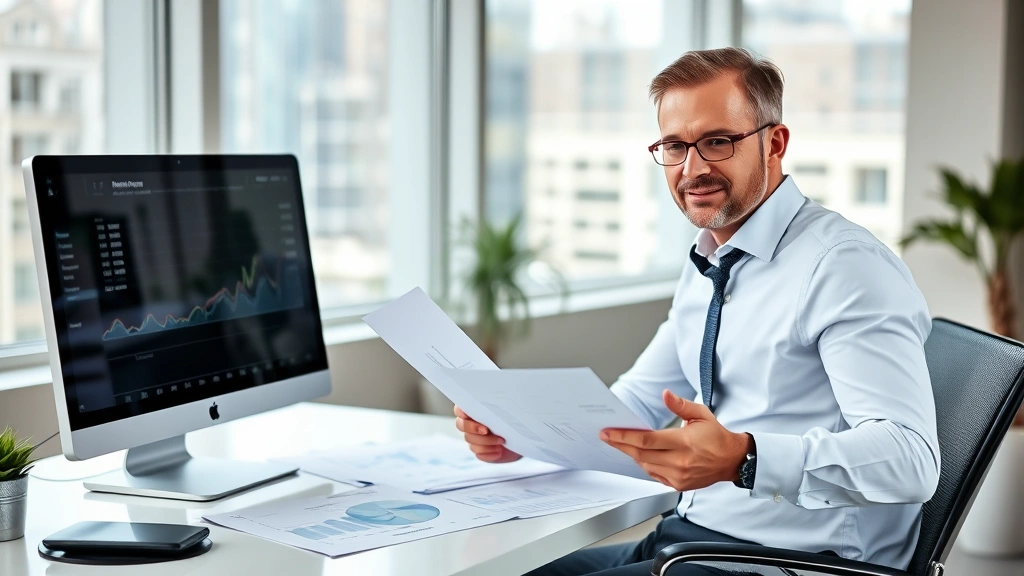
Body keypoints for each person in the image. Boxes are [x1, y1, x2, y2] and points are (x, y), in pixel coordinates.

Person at [454, 47, 940, 576]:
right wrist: (522, 436)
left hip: (789, 562)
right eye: (674, 146)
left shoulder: (843, 266)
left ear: (774, 143)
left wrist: (744, 457)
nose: (693, 168)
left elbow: (911, 460)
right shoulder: (711, 257)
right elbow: (635, 403)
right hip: (688, 537)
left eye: (717, 141)